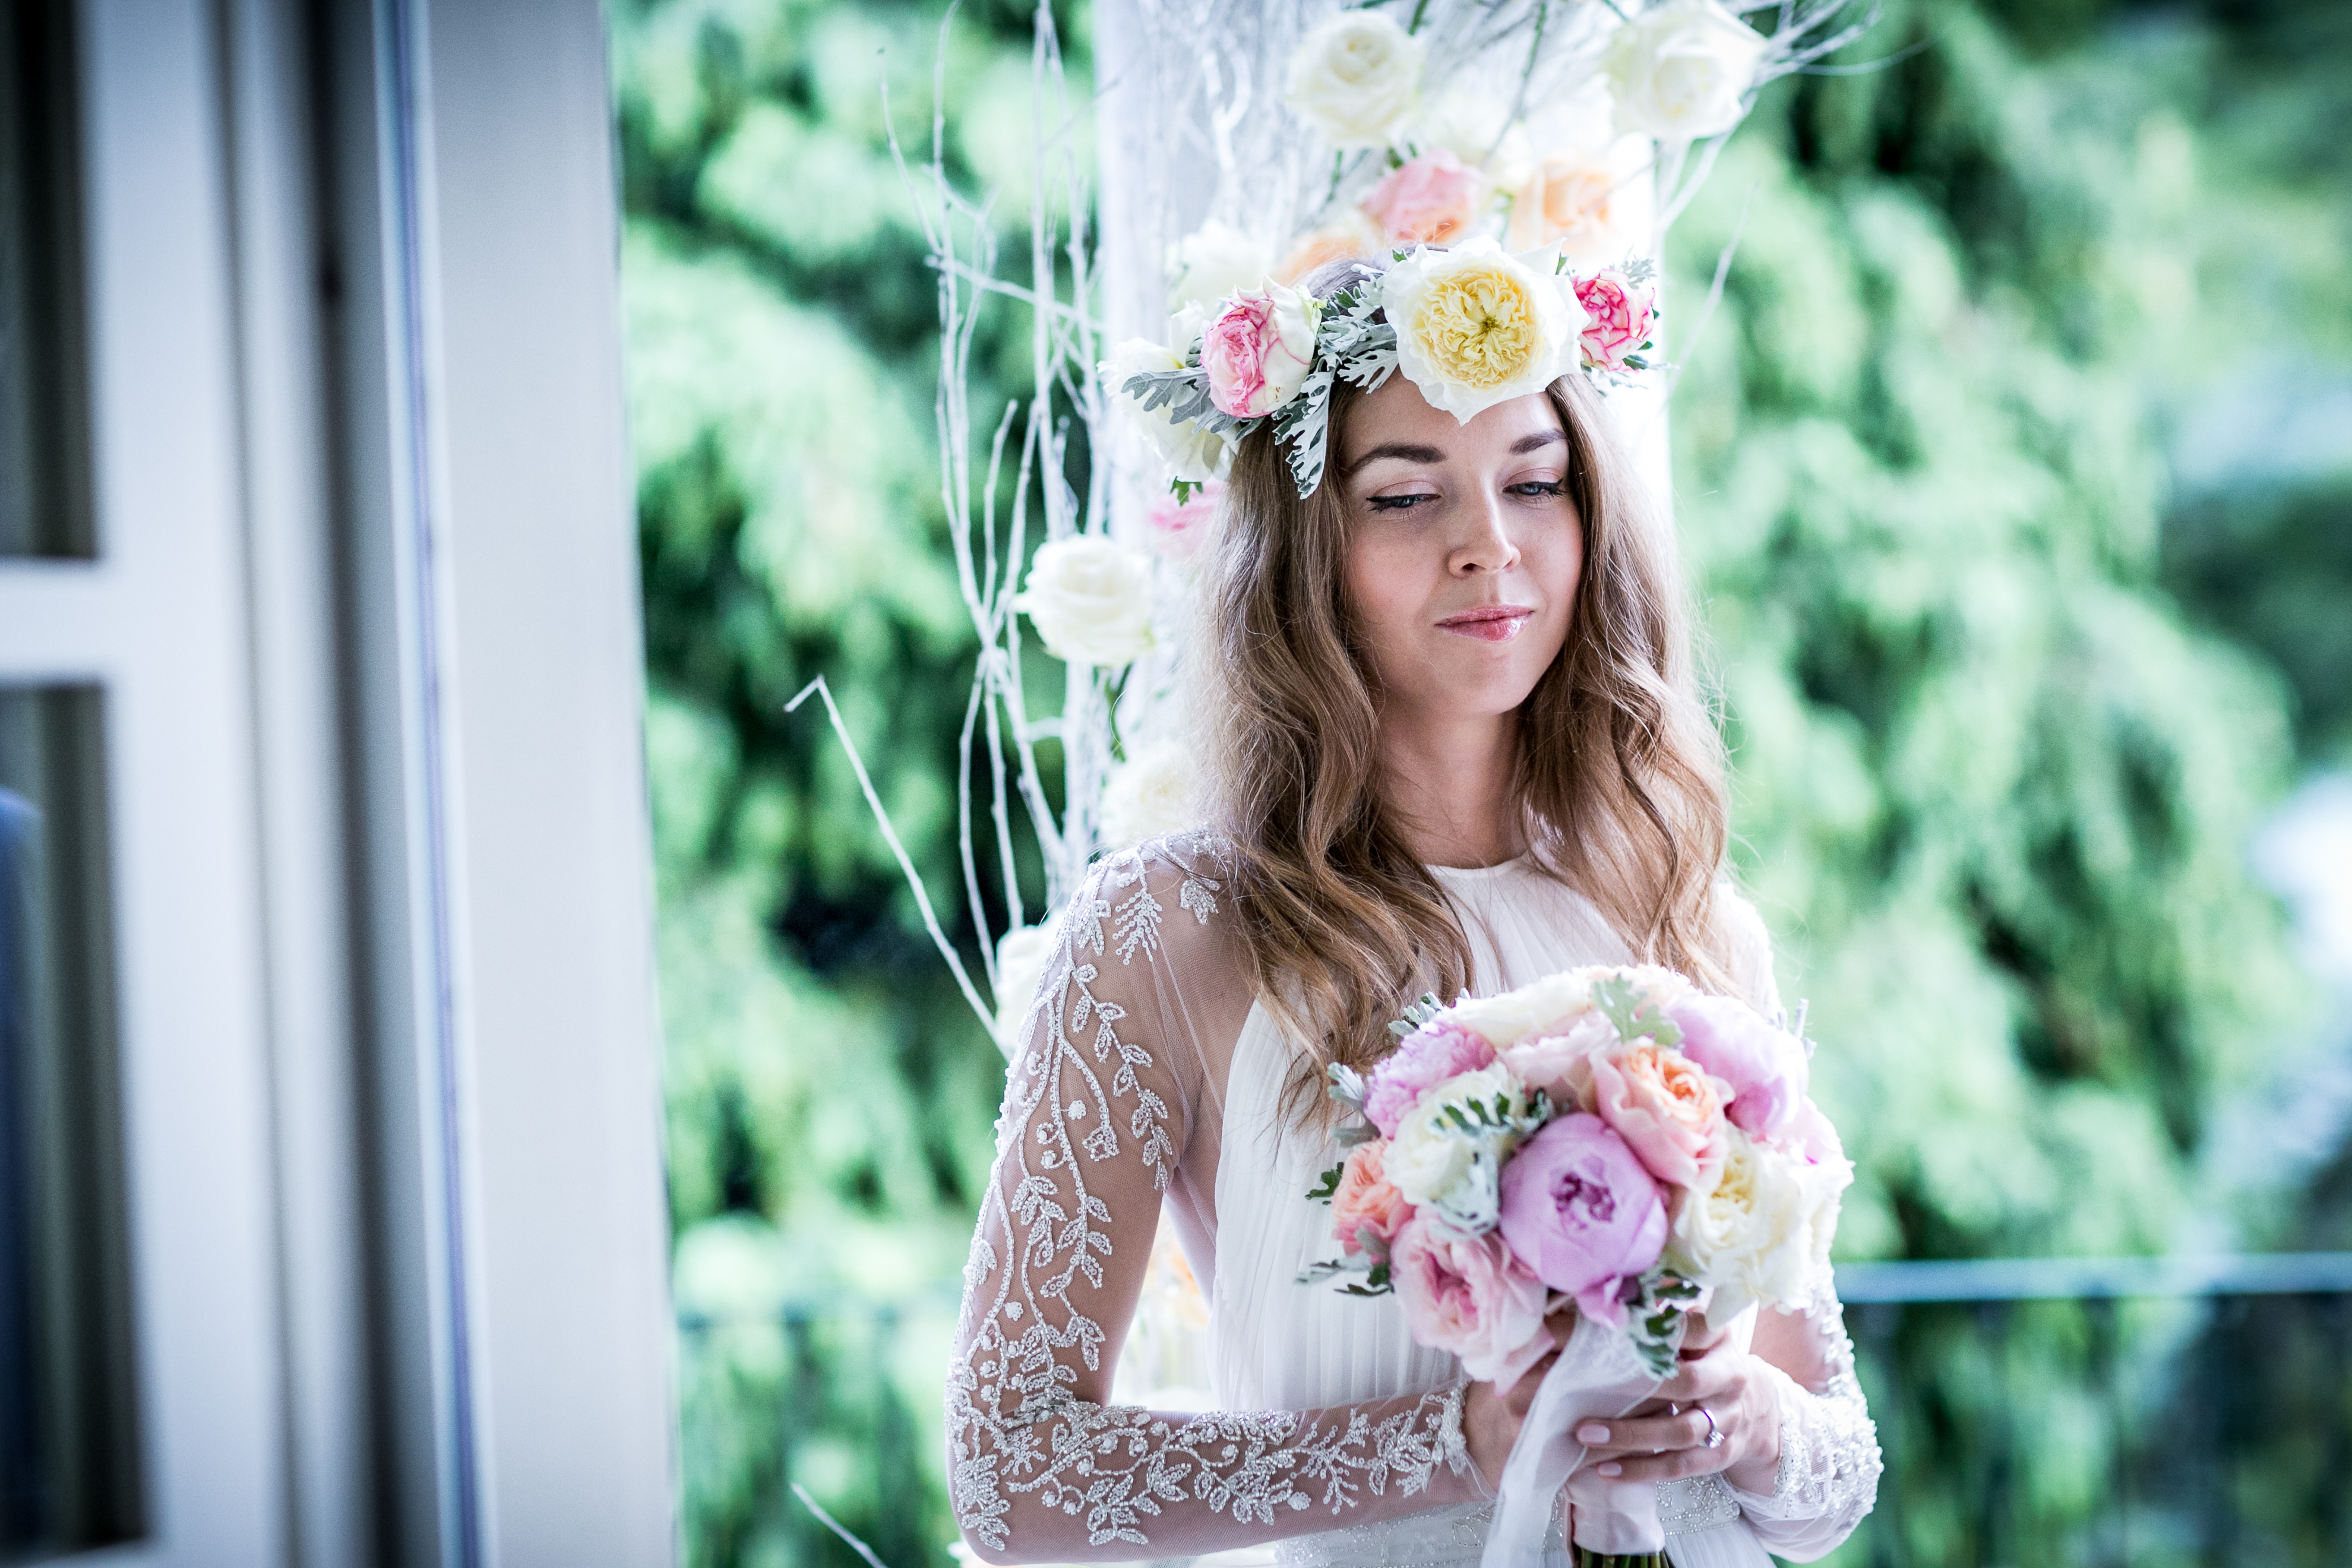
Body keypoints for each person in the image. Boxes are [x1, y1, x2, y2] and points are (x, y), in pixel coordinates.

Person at [946, 258, 1882, 1567]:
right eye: (1404, 495)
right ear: (1303, 552)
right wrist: (1453, 1444)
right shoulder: (1170, 938)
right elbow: (1011, 1476)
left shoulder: (1685, 911)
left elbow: (1834, 1481)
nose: (1489, 543)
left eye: (1535, 480)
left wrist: (1754, 1423)